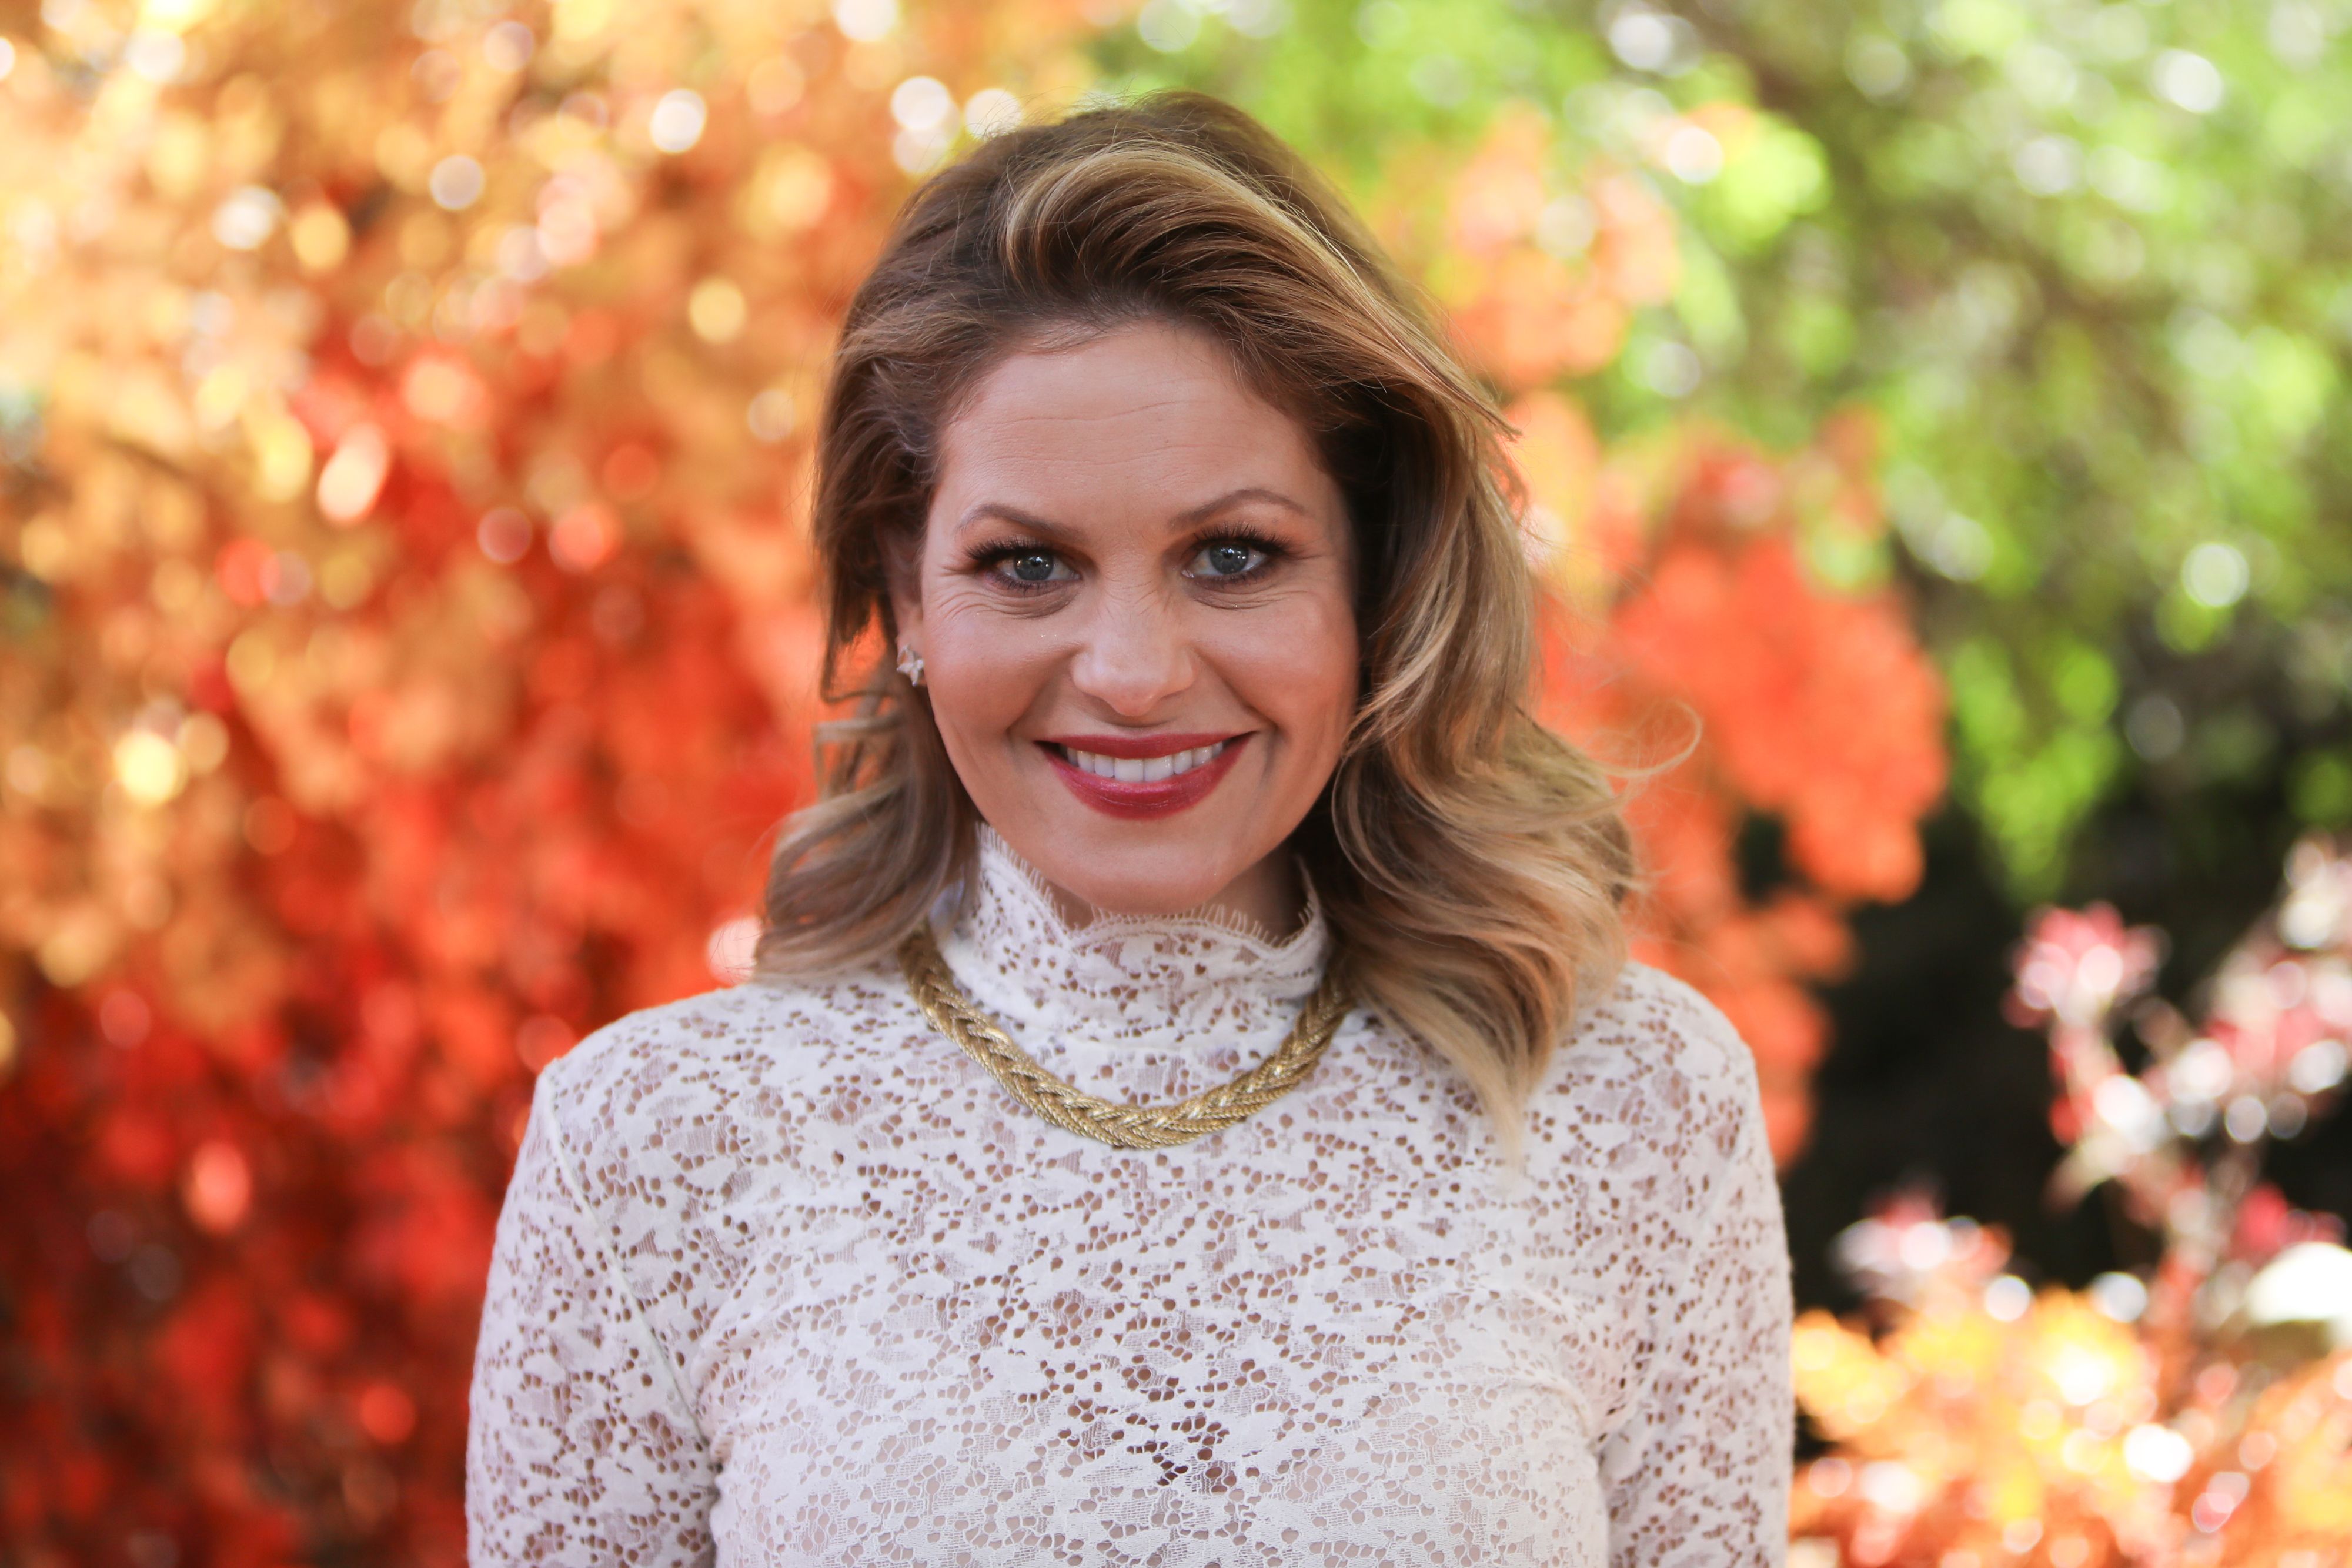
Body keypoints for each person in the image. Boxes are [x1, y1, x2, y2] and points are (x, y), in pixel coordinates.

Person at [467, 91, 1791, 1566]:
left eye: (1233, 555)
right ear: (906, 599)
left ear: (1373, 583)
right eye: (1026, 563)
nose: (1133, 671)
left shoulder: (1633, 1101)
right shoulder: (651, 1142)